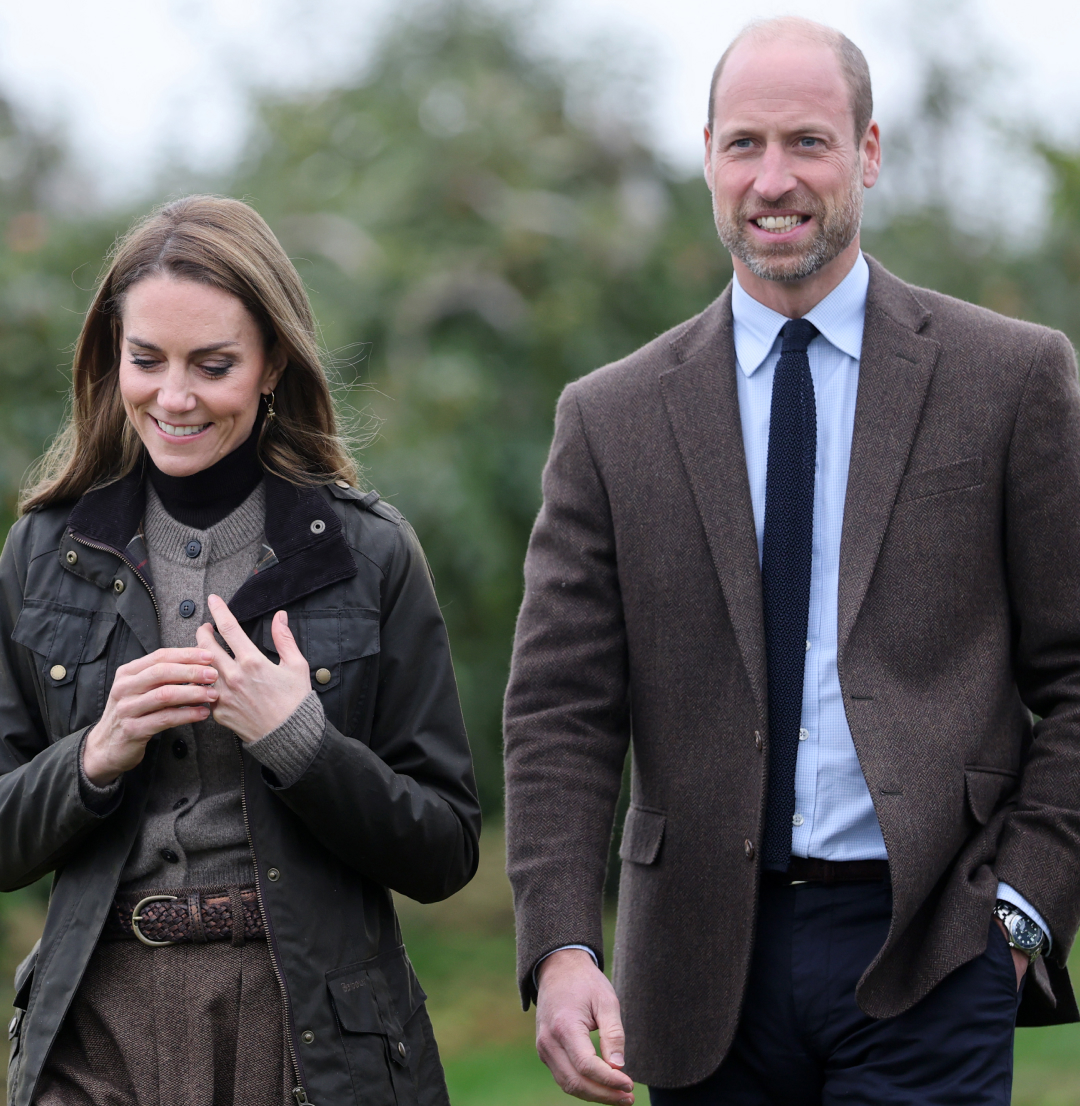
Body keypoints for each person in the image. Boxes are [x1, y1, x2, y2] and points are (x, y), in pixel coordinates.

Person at [503, 16, 1080, 1106]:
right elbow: (560, 710)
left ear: (868, 151)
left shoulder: (1009, 380)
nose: (775, 179)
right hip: (694, 969)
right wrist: (564, 943)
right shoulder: (610, 418)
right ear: (707, 153)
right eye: (746, 145)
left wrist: (1019, 908)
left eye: (809, 142)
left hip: (932, 949)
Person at [1, 195, 480, 1106]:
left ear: (272, 367)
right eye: (146, 360)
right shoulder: (40, 554)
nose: (173, 397)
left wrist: (302, 742)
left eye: (213, 366)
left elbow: (447, 846)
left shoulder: (370, 553)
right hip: (93, 1029)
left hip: (304, 1033)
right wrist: (94, 756)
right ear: (113, 358)